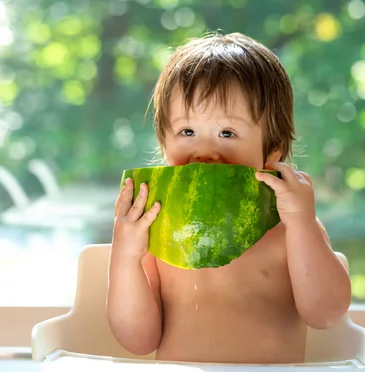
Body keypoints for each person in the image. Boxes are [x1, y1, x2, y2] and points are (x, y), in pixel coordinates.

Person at [106, 31, 351, 364]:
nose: (205, 152)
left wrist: (303, 225)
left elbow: (326, 314)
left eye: (227, 133)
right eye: (187, 132)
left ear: (271, 151)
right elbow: (137, 340)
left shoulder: (287, 228)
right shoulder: (156, 232)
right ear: (164, 145)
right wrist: (126, 258)